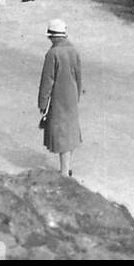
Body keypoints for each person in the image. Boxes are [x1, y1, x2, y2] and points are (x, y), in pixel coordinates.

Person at [37, 18, 82, 176]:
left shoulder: (52, 54)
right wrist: (77, 95)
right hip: (72, 96)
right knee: (71, 132)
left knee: (61, 135)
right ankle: (67, 167)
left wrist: (42, 103)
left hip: (58, 99)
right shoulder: (74, 50)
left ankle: (63, 173)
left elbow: (47, 81)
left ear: (55, 37)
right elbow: (79, 75)